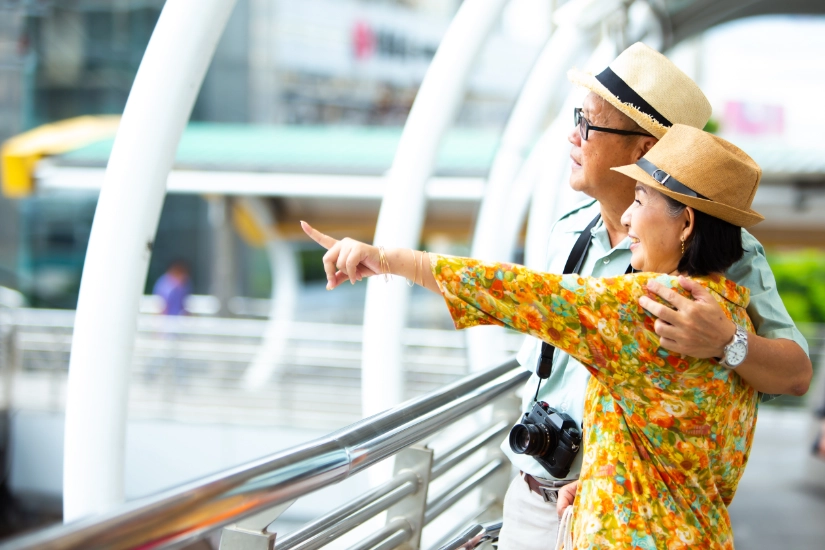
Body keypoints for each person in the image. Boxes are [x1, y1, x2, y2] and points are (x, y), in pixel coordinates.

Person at [301, 124, 767, 548]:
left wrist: (385, 259)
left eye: (641, 201)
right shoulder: (734, 320)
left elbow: (515, 292)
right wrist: (605, 481)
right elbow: (699, 464)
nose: (627, 219)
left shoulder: (644, 307)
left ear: (685, 223)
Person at [490, 42, 810, 548]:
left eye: (588, 123)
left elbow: (795, 373)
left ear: (642, 151)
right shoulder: (568, 233)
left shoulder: (726, 255)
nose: (573, 136)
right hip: (533, 498)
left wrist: (730, 340)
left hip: (634, 518)